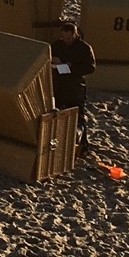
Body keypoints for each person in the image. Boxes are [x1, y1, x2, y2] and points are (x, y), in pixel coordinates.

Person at [50, 18, 97, 158]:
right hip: (59, 85)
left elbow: (90, 67)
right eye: (64, 38)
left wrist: (71, 66)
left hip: (75, 87)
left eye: (69, 38)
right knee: (57, 115)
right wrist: (54, 61)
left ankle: (83, 147)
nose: (66, 40)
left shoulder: (84, 48)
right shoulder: (57, 45)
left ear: (75, 35)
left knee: (78, 118)